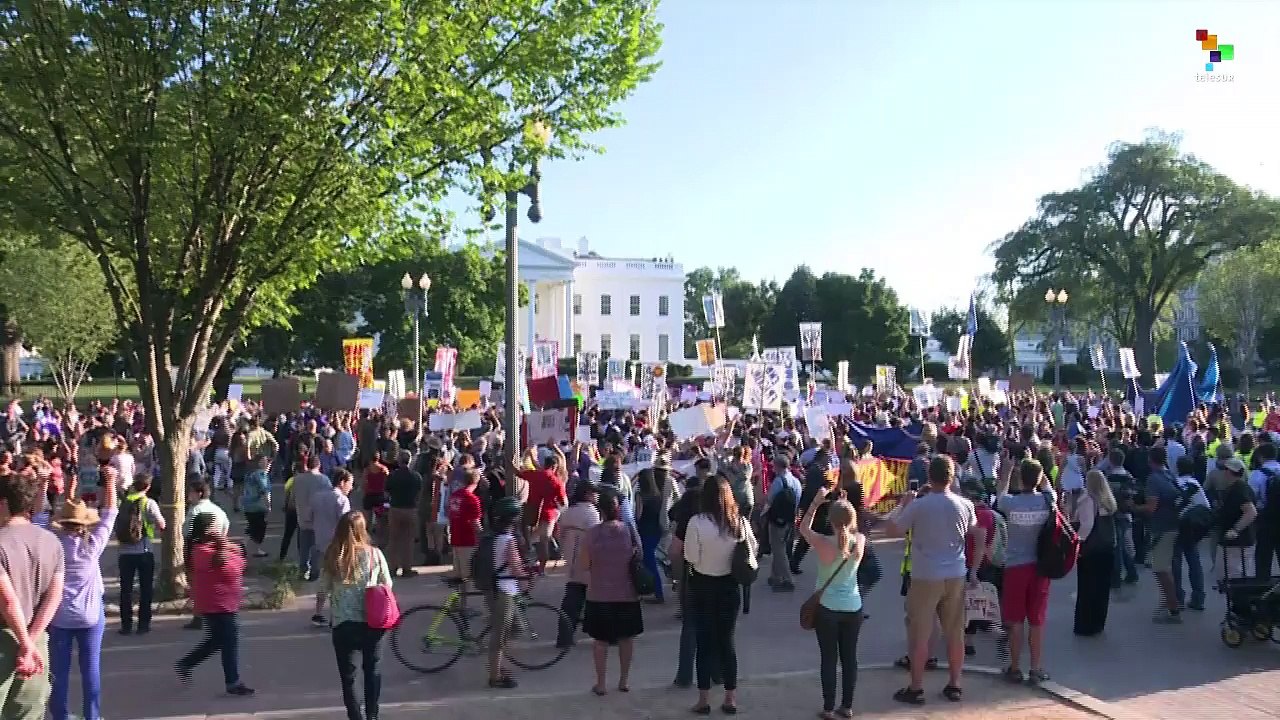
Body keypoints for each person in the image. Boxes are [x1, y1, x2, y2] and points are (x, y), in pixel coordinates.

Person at [884, 455, 976, 704]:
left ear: (929, 477)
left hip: (926, 574)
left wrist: (904, 504)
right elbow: (971, 530)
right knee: (955, 632)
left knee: (919, 634)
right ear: (951, 476)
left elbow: (892, 530)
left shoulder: (919, 505)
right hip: (955, 573)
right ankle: (955, 684)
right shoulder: (965, 504)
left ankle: (916, 687)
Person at [684, 473, 757, 715]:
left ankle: (703, 699)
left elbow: (690, 557)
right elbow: (753, 549)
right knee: (727, 642)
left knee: (704, 643)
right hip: (729, 585)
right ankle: (730, 697)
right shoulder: (739, 522)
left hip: (703, 585)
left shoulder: (697, 522)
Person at [49, 465, 117, 720]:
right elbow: (110, 513)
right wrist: (109, 482)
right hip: (90, 614)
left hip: (60, 615)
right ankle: (93, 716)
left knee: (59, 671)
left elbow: (39, 517)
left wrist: (58, 486)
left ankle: (60, 715)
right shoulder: (93, 545)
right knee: (91, 668)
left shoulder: (53, 543)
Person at [0, 468, 65, 718]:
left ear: (4, 503)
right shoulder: (51, 542)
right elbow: (54, 596)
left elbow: (7, 600)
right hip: (37, 640)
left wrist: (23, 644)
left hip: (7, 640)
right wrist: (31, 642)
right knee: (28, 712)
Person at [800, 486, 865, 720]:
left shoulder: (823, 543)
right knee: (850, 658)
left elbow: (803, 528)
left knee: (828, 658)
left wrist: (817, 502)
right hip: (853, 607)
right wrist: (846, 508)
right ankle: (847, 706)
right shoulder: (860, 541)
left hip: (827, 608)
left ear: (831, 520)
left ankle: (828, 707)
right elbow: (852, 529)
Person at [322, 511, 393, 720]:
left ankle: (355, 716)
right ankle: (372, 715)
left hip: (343, 623)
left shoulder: (333, 554)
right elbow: (387, 584)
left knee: (348, 676)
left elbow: (324, 587)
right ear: (363, 529)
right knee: (372, 670)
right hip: (373, 621)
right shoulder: (375, 554)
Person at [176, 512, 253, 696]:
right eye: (215, 527)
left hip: (222, 602)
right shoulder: (201, 550)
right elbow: (231, 569)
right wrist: (225, 547)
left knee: (217, 641)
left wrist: (226, 547)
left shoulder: (215, 548)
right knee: (229, 642)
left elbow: (240, 557)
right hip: (218, 604)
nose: (220, 531)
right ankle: (232, 682)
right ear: (207, 530)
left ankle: (186, 663)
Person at [994, 457, 1055, 683]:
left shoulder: (1011, 503)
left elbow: (999, 494)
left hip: (1015, 567)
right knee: (1037, 619)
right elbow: (1048, 486)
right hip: (1041, 566)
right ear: (1039, 479)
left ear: (1020, 479)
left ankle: (1014, 667)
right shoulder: (1048, 500)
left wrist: (1008, 471)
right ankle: (1036, 668)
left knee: (1015, 620)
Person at [582, 491, 644, 696]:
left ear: (600, 511)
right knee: (626, 639)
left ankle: (601, 684)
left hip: (599, 594)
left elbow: (584, 564)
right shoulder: (628, 531)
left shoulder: (591, 534)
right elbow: (639, 555)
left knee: (600, 641)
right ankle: (624, 681)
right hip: (626, 593)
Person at [486, 496, 532, 690]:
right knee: (500, 633)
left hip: (497, 589)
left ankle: (496, 663)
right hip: (503, 591)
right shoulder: (508, 540)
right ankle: (495, 676)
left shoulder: (492, 537)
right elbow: (515, 568)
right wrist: (526, 583)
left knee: (516, 627)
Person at [1137, 447, 1184, 623]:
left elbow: (1151, 507)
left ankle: (1172, 608)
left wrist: (1133, 507)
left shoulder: (1153, 479)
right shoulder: (1170, 475)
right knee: (1168, 567)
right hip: (1174, 523)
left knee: (1161, 569)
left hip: (1162, 527)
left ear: (1150, 460)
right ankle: (1170, 602)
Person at [116, 472, 166, 636]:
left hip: (125, 552)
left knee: (126, 590)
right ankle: (143, 624)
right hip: (144, 550)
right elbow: (161, 524)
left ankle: (126, 625)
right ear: (148, 487)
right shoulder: (148, 503)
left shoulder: (124, 501)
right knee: (145, 589)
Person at [307, 469, 354, 627]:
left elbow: (309, 517)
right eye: (350, 484)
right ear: (342, 482)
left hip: (321, 543)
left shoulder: (317, 497)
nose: (351, 488)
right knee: (338, 582)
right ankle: (336, 616)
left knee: (324, 578)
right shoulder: (341, 500)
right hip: (338, 545)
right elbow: (346, 524)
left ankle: (318, 613)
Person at [555, 481, 600, 648]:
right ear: (587, 494)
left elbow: (560, 535)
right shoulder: (591, 513)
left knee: (572, 597)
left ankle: (565, 635)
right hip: (585, 559)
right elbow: (596, 538)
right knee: (587, 597)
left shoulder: (569, 512)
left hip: (570, 557)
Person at [1073, 470, 1117, 636]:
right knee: (1102, 588)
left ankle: (1086, 623)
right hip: (1107, 548)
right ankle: (1098, 622)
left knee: (1087, 587)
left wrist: (1078, 542)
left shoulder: (1087, 500)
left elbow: (1087, 524)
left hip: (1091, 550)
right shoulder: (1108, 501)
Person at [1171, 455, 1209, 611]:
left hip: (1176, 526)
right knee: (1194, 561)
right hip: (1192, 528)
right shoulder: (1195, 484)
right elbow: (1206, 506)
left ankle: (1178, 597)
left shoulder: (1174, 484)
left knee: (1175, 562)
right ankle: (1198, 597)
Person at [446, 468, 483, 616]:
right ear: (476, 481)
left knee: (459, 575)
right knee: (467, 576)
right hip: (468, 540)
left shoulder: (455, 496)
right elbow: (475, 522)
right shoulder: (472, 499)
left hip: (456, 537)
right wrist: (483, 536)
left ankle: (457, 603)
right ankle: (463, 606)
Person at [762, 453, 801, 592]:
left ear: (778, 466)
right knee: (780, 546)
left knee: (778, 550)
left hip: (777, 520)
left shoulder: (779, 482)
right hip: (790, 519)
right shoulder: (796, 481)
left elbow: (769, 500)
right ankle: (775, 576)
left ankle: (788, 579)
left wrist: (763, 513)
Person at [292, 455, 333, 580]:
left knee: (304, 545)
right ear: (319, 465)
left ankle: (303, 569)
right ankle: (314, 571)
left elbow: (293, 496)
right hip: (318, 517)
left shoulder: (297, 479)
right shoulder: (323, 480)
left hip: (302, 516)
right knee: (316, 546)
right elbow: (329, 496)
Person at [385, 450, 423, 578]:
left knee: (394, 539)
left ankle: (392, 567)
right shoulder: (416, 476)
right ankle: (407, 568)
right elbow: (419, 492)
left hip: (395, 508)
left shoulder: (392, 475)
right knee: (408, 540)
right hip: (410, 509)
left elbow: (387, 491)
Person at [634, 468, 666, 604]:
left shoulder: (641, 495)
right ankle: (656, 591)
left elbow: (638, 515)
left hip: (645, 529)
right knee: (651, 560)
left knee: (649, 561)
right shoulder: (658, 494)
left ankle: (657, 592)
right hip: (656, 529)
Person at [241, 455, 271, 558]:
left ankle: (247, 545)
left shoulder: (250, 474)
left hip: (247, 505)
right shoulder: (261, 475)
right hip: (257, 505)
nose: (266, 464)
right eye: (263, 461)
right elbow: (265, 491)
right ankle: (251, 548)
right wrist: (268, 505)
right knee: (259, 529)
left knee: (253, 527)